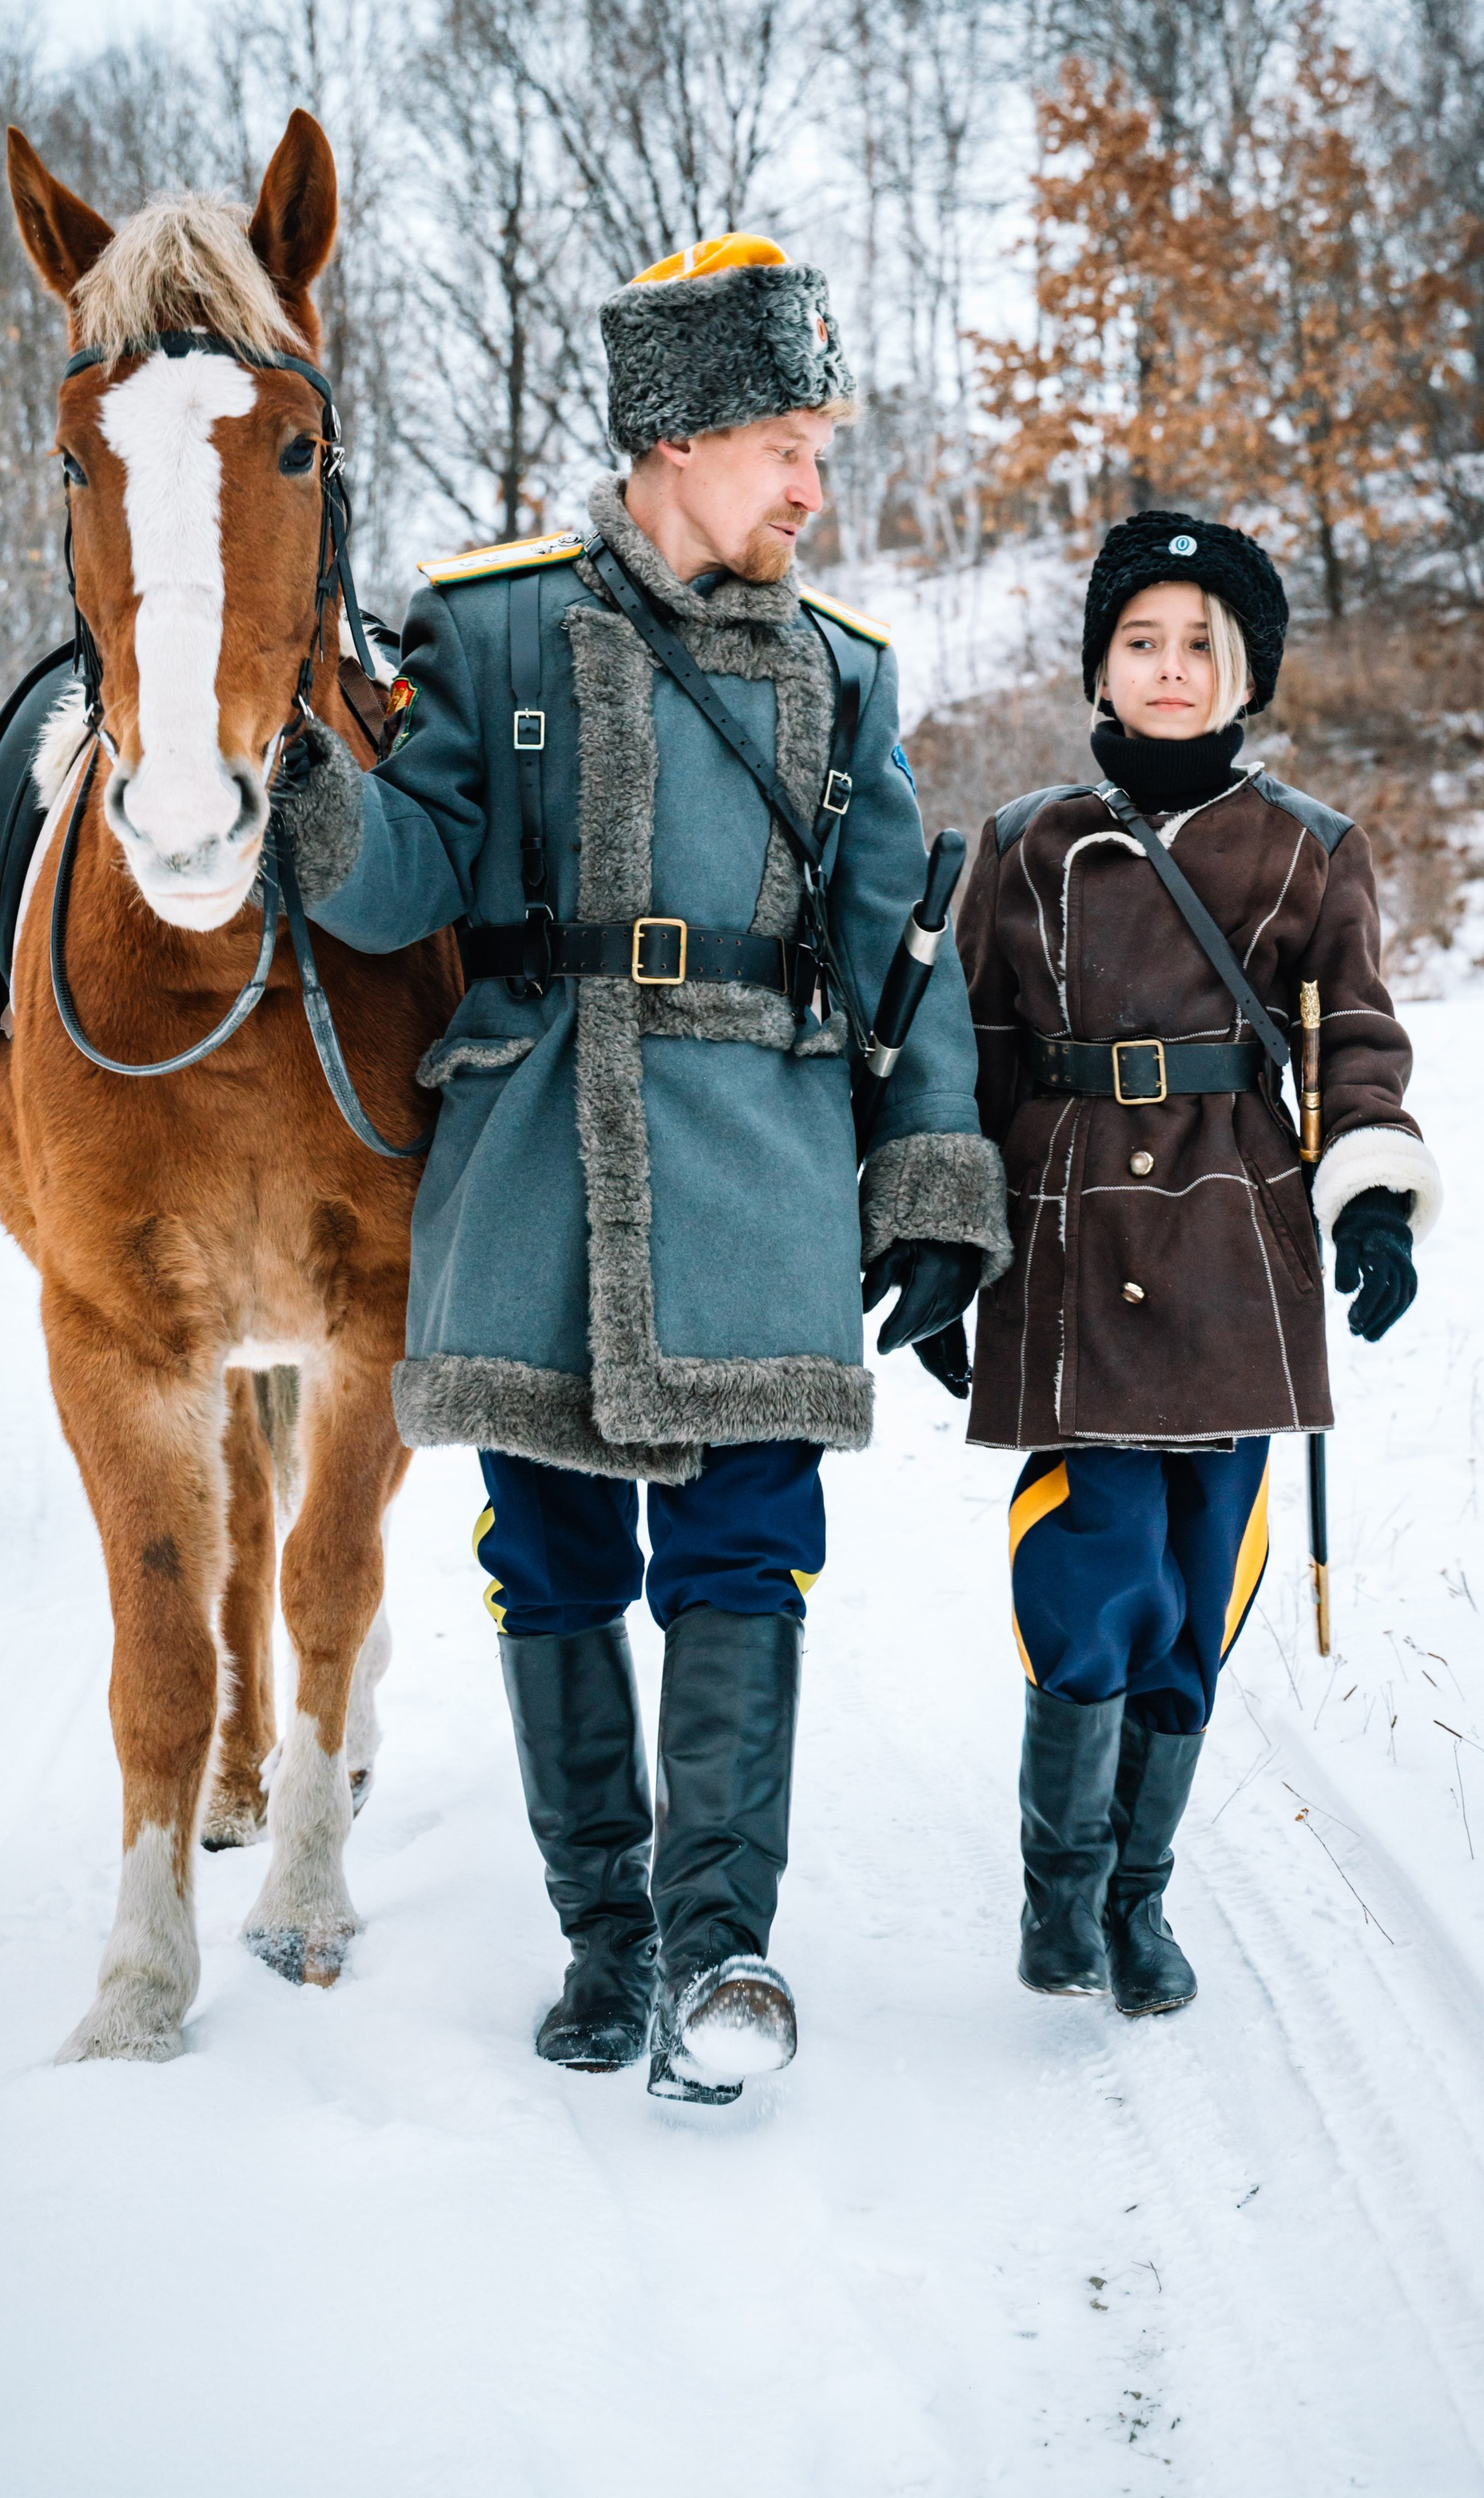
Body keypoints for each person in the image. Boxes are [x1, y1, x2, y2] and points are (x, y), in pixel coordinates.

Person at [271, 235, 1009, 2101]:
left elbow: (891, 951)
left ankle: (720, 1943)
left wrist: (929, 1177)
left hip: (758, 1163)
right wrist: (291, 783)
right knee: (552, 1556)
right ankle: (606, 1939)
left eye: (816, 449)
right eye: (785, 444)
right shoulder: (493, 621)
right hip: (531, 1160)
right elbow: (407, 880)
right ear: (677, 438)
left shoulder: (844, 669)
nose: (810, 487)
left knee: (748, 1555)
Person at [952, 509, 1439, 2017]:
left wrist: (1368, 1195)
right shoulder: (1024, 846)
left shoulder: (1310, 849)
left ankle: (1137, 1899)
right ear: (1101, 665)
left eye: (1201, 646)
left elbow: (1356, 1042)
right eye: (1141, 641)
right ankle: (1057, 1891)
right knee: (1089, 1577)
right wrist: (941, 1232)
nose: (1170, 669)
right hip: (1069, 1239)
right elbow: (961, 1061)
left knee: (1195, 1587)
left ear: (1248, 672)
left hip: (1237, 1250)